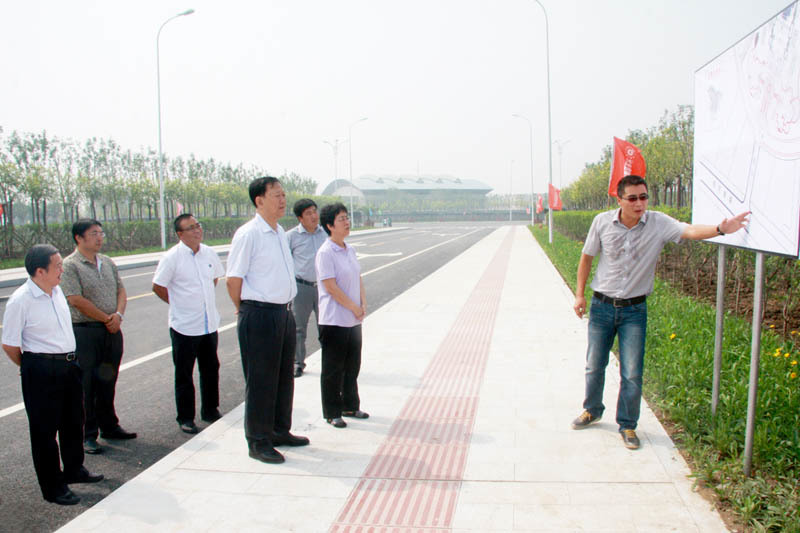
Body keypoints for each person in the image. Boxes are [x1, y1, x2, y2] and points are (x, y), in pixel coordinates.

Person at [571, 175, 750, 449]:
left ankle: (628, 424)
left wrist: (720, 229)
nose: (639, 203)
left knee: (632, 371)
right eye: (632, 198)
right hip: (602, 306)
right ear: (619, 199)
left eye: (643, 197)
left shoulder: (658, 223)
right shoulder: (602, 222)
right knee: (594, 365)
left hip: (634, 310)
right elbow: (587, 258)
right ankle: (592, 409)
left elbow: (688, 230)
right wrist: (579, 294)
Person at [2, 244, 104, 505]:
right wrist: (31, 367)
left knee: (73, 422)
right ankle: (53, 487)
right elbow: (10, 344)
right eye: (57, 265)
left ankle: (74, 469)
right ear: (39, 271)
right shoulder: (21, 300)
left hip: (69, 366)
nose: (62, 269)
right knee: (44, 432)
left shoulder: (56, 291)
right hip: (41, 370)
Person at [226, 176, 310, 464]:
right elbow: (233, 279)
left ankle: (278, 430)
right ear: (259, 200)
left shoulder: (278, 232)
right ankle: (258, 441)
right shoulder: (248, 234)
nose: (283, 199)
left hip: (283, 313)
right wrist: (246, 309)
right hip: (259, 314)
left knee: (283, 378)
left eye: (284, 194)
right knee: (261, 381)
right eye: (276, 195)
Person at [61, 219, 136, 455]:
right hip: (86, 332)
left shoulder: (107, 262)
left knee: (108, 380)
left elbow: (121, 290)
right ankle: (88, 434)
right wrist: (106, 318)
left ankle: (109, 426)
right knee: (87, 384)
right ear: (79, 238)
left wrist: (118, 315)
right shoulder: (70, 265)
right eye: (93, 234)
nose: (99, 237)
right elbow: (75, 299)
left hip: (111, 329)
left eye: (100, 233)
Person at [152, 214, 225, 434]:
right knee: (184, 373)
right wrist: (179, 304)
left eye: (198, 226)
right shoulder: (172, 257)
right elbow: (158, 286)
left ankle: (210, 410)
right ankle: (185, 417)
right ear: (180, 234)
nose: (197, 231)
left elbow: (214, 279)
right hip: (184, 326)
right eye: (191, 228)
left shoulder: (209, 253)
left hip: (208, 324)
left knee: (211, 368)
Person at [315, 203, 369, 429]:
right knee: (333, 368)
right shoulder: (325, 252)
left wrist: (362, 304)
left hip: (353, 319)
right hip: (335, 319)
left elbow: (357, 278)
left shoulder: (350, 249)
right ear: (329, 225)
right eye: (341, 219)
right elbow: (331, 287)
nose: (347, 222)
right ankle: (332, 411)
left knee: (352, 365)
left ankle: (350, 405)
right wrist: (352, 307)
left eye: (347, 218)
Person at [286, 198, 327, 378]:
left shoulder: (325, 233)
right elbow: (285, 264)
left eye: (314, 211)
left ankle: (330, 361)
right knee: (298, 328)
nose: (313, 216)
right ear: (300, 218)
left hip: (324, 288)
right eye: (308, 213)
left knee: (326, 326)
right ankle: (297, 363)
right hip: (301, 287)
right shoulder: (291, 237)